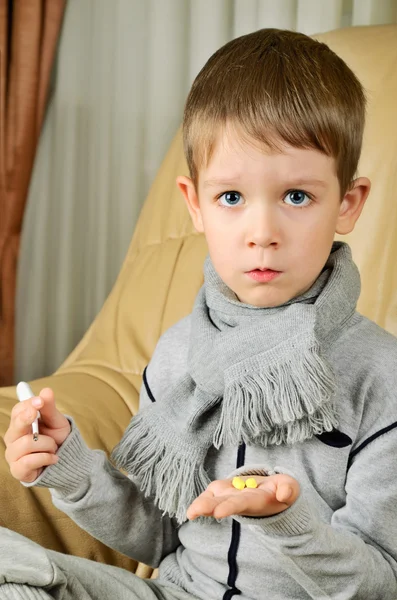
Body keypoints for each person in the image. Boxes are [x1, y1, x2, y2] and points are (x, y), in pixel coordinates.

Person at [2, 27, 397, 600]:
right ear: (196, 204)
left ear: (348, 203)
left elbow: (381, 582)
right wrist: (66, 465)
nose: (262, 234)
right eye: (232, 198)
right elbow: (161, 534)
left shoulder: (381, 376)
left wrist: (285, 522)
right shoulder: (176, 353)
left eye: (296, 197)